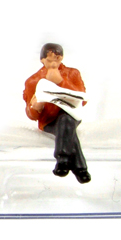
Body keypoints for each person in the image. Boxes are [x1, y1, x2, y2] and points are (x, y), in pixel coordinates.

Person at [23, 43, 90, 183]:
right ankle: (80, 169)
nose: (54, 64)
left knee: (66, 120)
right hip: (49, 120)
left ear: (62, 58)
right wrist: (37, 107)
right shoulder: (33, 81)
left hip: (72, 114)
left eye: (57, 59)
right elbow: (31, 114)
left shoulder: (73, 73)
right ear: (42, 60)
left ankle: (63, 161)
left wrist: (61, 82)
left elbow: (82, 99)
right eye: (49, 60)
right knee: (67, 127)